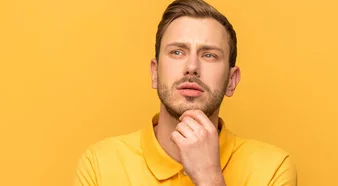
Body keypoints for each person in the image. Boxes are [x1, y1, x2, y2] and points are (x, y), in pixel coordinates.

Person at [74, 0, 297, 185]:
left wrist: (210, 178)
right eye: (177, 52)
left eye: (209, 55)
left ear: (231, 80)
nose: (192, 67)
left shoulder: (273, 169)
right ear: (155, 72)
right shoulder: (99, 165)